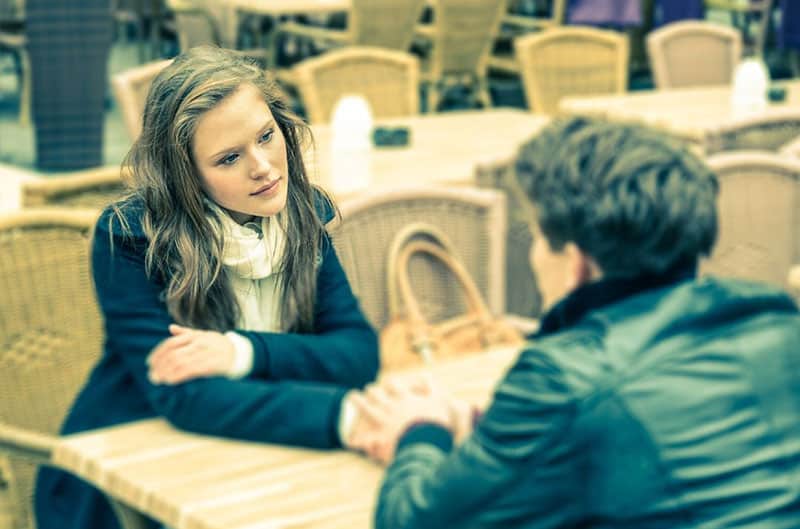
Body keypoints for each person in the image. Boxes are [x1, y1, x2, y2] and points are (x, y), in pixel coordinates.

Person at [352, 117, 800, 528]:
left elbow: (411, 521)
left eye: (540, 240)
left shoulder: (561, 377)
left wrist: (418, 430)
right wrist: (484, 425)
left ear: (576, 264)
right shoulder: (775, 319)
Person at [34, 46, 378, 529]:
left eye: (266, 136)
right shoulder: (131, 238)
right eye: (229, 158)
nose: (262, 166)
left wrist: (240, 354)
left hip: (254, 459)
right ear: (187, 177)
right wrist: (343, 418)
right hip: (126, 486)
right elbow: (186, 397)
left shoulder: (304, 214)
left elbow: (358, 353)